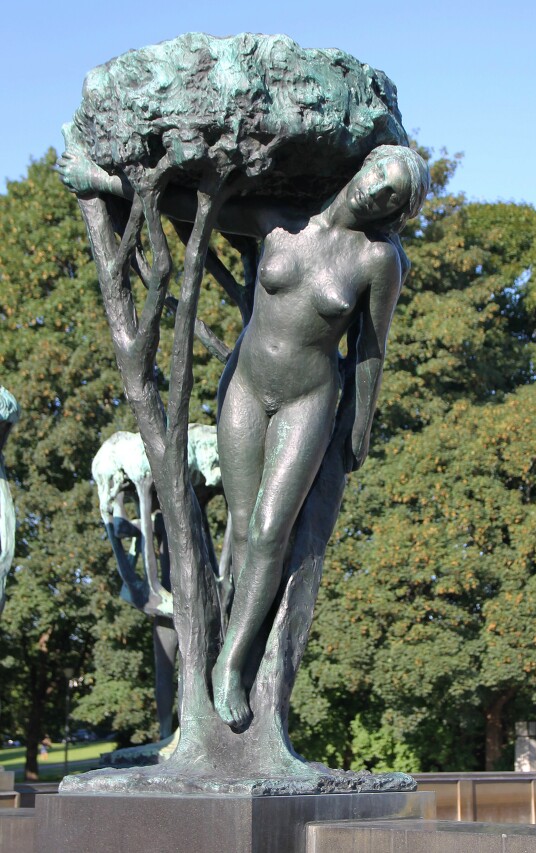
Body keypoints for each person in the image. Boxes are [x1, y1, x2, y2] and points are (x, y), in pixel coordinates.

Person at [58, 143, 430, 730]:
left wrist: (357, 424)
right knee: (239, 525)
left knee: (267, 531)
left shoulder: (379, 261)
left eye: (392, 193)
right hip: (247, 389)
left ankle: (231, 663)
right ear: (363, 167)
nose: (378, 190)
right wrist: (103, 181)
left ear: (395, 210)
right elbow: (189, 207)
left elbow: (370, 351)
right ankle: (223, 643)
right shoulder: (282, 220)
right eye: (379, 173)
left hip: (309, 400)